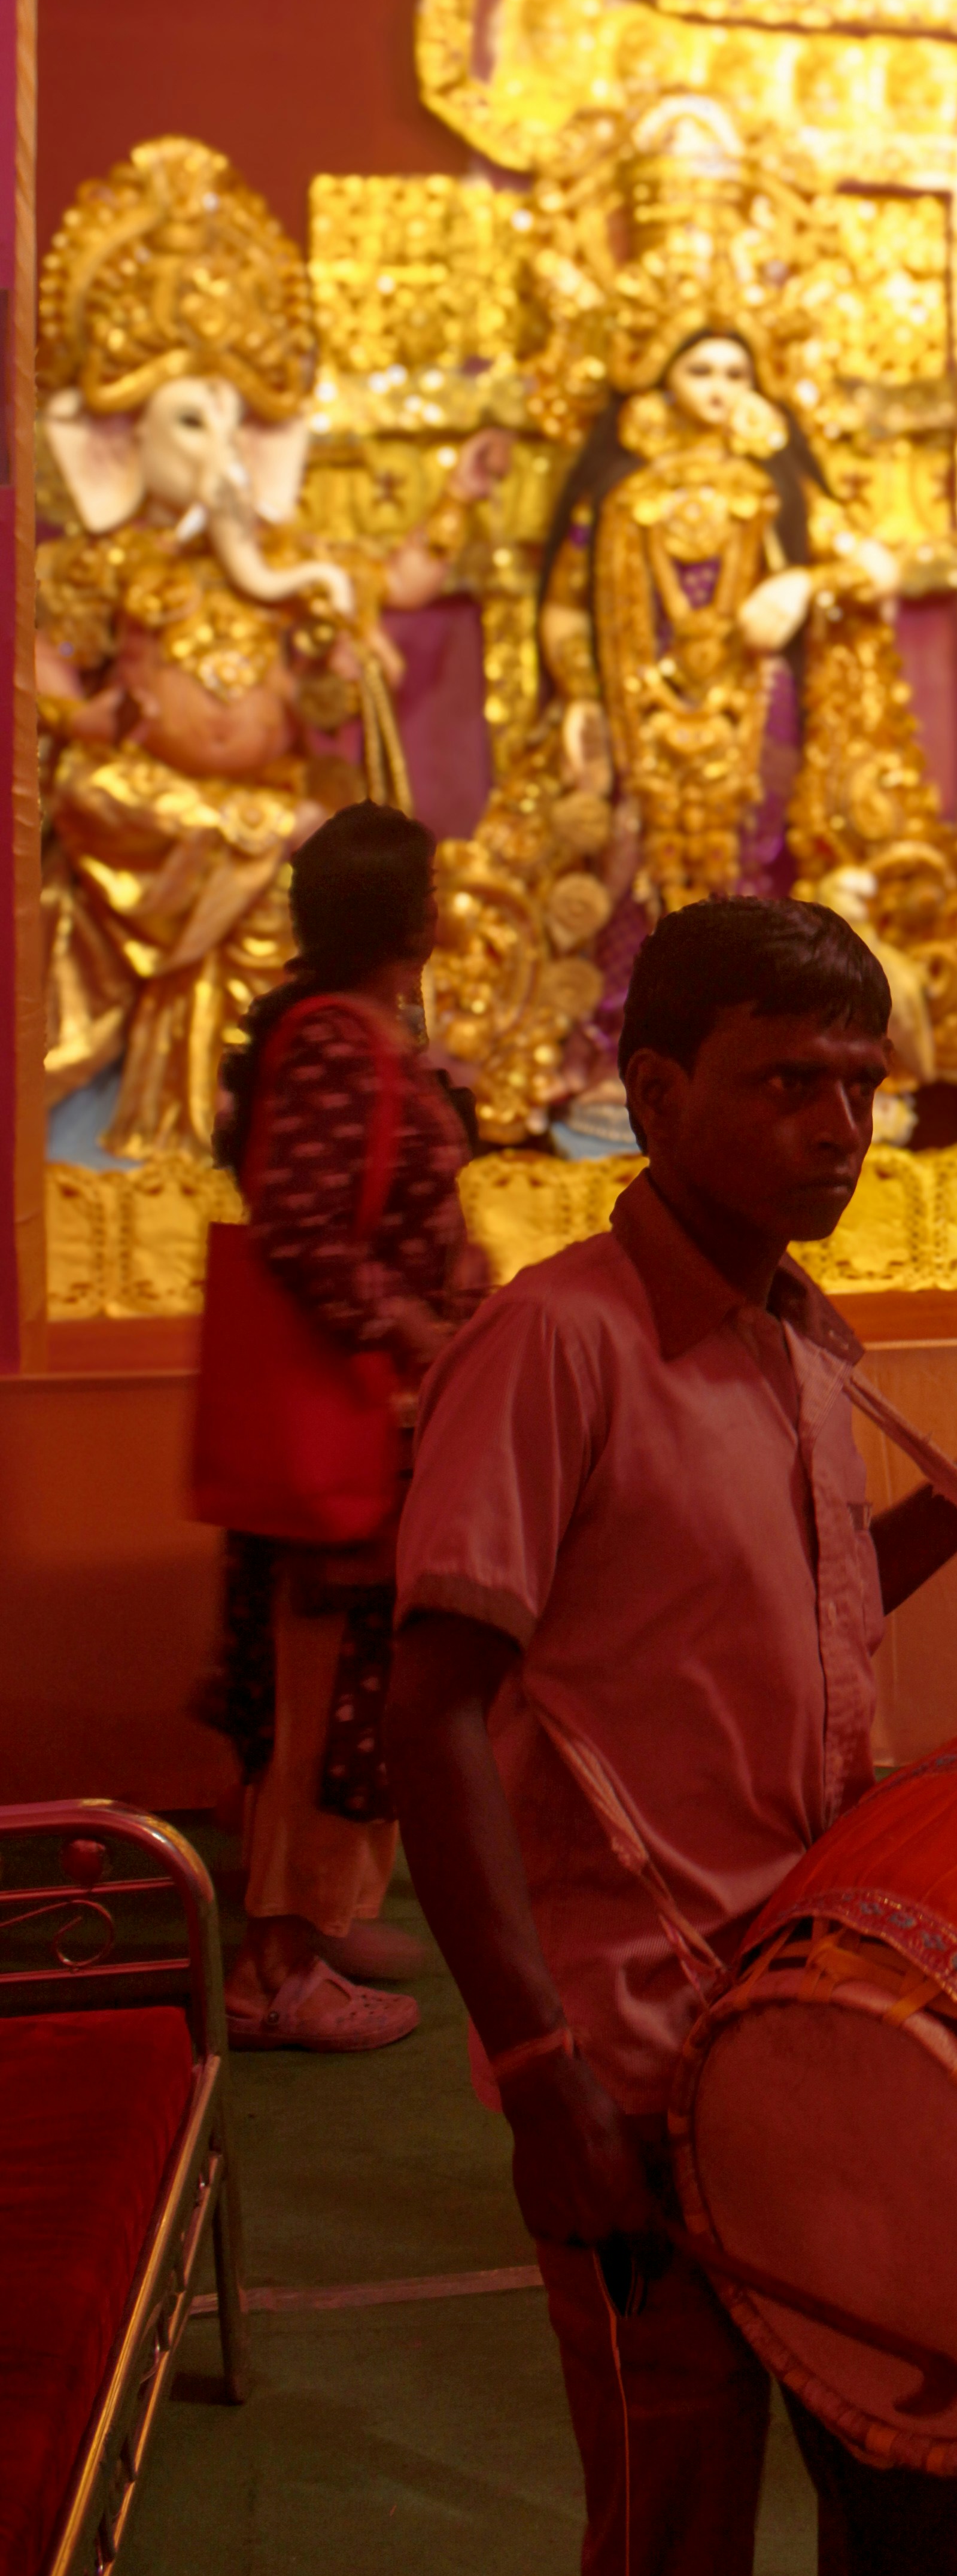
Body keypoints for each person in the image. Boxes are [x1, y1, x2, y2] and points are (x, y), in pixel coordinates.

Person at [384, 898, 957, 2576]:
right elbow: (432, 1713)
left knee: (923, 2469)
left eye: (862, 1084)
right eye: (788, 1082)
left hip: (818, 2033)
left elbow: (813, 1597)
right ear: (658, 1089)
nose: (840, 1125)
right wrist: (538, 2074)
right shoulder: (556, 1343)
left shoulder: (792, 1337)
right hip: (626, 2067)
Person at [208, 801, 487, 2053]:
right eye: (427, 892)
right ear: (401, 914)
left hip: (379, 1420)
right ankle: (276, 1969)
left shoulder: (362, 1033)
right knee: (326, 1696)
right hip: (350, 1423)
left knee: (355, 1686)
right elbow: (305, 1229)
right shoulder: (334, 1042)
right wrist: (418, 1330)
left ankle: (320, 1920)